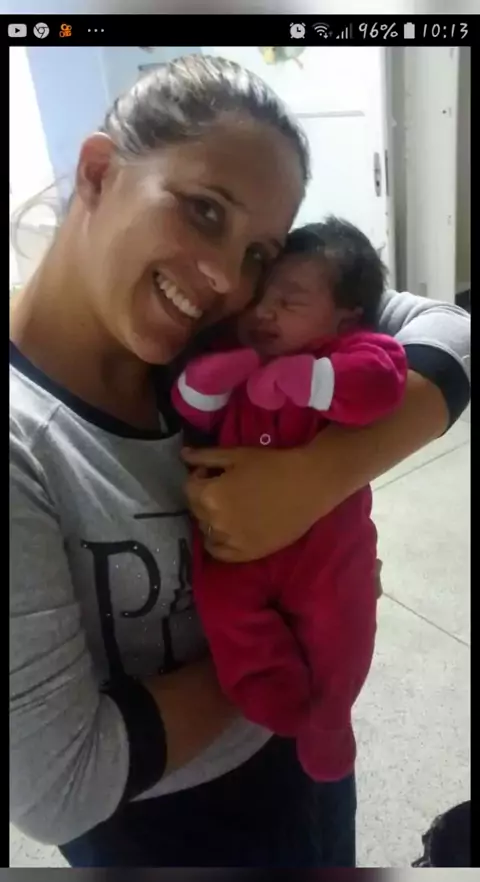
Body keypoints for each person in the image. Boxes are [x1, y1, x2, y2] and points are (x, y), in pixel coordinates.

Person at [9, 55, 470, 869]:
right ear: (99, 172)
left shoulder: (218, 329)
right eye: (204, 209)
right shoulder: (28, 443)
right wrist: (293, 652)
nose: (228, 278)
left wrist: (316, 479)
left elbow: (450, 328)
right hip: (163, 837)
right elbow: (58, 784)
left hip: (309, 767)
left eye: (260, 252)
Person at [172, 218, 407, 784]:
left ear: (345, 315)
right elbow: (192, 406)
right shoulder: (241, 352)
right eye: (261, 298)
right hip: (236, 547)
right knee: (224, 606)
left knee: (342, 627)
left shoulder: (352, 350)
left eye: (290, 301)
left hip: (329, 550)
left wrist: (309, 380)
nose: (264, 313)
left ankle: (331, 716)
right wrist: (212, 379)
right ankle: (269, 685)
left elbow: (383, 383)